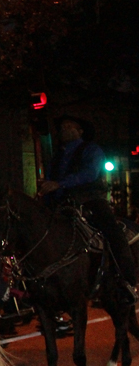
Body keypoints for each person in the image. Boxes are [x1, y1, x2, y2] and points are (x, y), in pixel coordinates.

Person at [39, 115, 137, 301]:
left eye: (69, 126)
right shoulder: (57, 155)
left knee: (113, 232)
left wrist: (60, 184)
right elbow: (51, 178)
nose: (64, 130)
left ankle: (127, 281)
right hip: (61, 203)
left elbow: (89, 173)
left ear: (80, 131)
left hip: (89, 199)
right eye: (62, 127)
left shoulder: (91, 150)